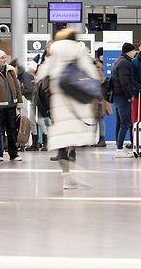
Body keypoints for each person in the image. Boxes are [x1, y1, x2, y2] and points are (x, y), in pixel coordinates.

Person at [44, 29, 99, 189]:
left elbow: (43, 75)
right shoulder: (78, 51)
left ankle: (66, 176)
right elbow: (91, 74)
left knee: (62, 138)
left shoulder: (54, 54)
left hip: (59, 101)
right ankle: (73, 171)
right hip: (77, 101)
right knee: (74, 137)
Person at [0, 49, 24, 162]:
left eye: (5, 57)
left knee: (12, 130)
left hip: (11, 105)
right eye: (2, 58)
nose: (4, 59)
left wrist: (19, 103)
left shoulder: (11, 71)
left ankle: (14, 154)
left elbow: (17, 88)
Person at [110, 43, 137, 158]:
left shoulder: (119, 61)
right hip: (122, 96)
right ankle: (120, 149)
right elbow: (124, 82)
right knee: (126, 122)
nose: (135, 53)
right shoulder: (125, 63)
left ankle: (118, 147)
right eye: (133, 51)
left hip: (117, 96)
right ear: (128, 51)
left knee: (120, 122)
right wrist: (129, 95)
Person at [10, 58, 39, 151]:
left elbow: (30, 89)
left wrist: (20, 91)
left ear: (16, 68)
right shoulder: (21, 76)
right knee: (34, 121)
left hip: (35, 100)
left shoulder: (25, 75)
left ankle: (37, 143)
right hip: (33, 100)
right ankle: (36, 143)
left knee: (36, 121)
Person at [92, 47, 107, 148]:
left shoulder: (100, 67)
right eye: (102, 55)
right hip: (97, 97)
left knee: (98, 119)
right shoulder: (98, 67)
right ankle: (97, 139)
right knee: (96, 119)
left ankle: (101, 139)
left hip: (99, 98)